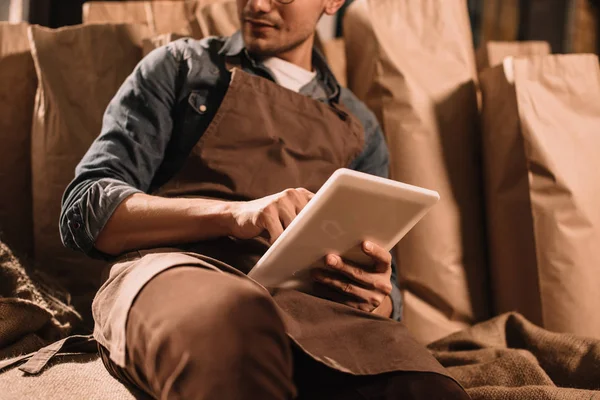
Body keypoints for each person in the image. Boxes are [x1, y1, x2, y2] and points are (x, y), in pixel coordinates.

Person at [60, 0, 470, 398]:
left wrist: (376, 297)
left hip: (307, 306)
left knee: (426, 385)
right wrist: (233, 214)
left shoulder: (360, 126)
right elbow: (85, 209)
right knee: (232, 328)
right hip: (175, 271)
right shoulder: (180, 66)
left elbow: (387, 292)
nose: (256, 5)